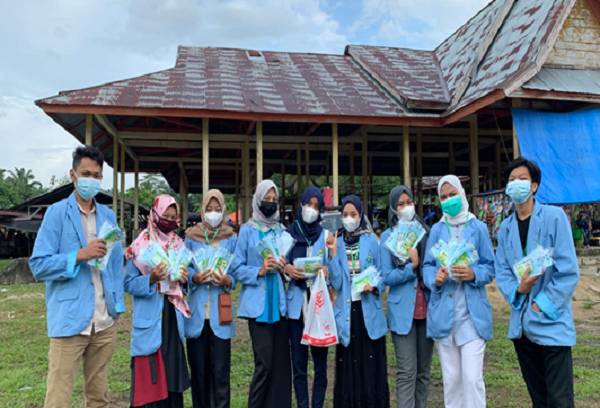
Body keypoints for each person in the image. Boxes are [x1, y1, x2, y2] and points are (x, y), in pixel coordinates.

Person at [29, 146, 126, 407]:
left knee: (98, 397)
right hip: (69, 320)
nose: (90, 180)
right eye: (85, 174)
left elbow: (116, 264)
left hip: (103, 322)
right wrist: (79, 255)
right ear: (73, 175)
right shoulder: (57, 213)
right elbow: (38, 265)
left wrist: (117, 305)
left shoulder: (108, 216)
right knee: (58, 398)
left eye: (96, 175)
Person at [495, 158, 579, 408]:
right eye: (511, 180)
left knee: (559, 400)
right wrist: (518, 290)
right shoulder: (505, 228)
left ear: (534, 186)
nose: (516, 184)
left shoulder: (554, 217)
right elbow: (502, 271)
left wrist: (540, 305)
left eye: (522, 179)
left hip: (551, 323)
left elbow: (568, 271)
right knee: (539, 399)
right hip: (522, 326)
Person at [422, 175, 495, 408]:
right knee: (452, 380)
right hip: (444, 315)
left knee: (472, 379)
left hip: (472, 316)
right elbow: (427, 266)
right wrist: (435, 278)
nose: (448, 200)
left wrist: (474, 274)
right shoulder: (436, 230)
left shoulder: (478, 227)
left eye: (452, 194)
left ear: (462, 194)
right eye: (443, 197)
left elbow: (490, 266)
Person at [125, 195, 191, 407]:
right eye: (165, 215)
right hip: (150, 320)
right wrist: (151, 279)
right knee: (150, 381)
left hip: (172, 318)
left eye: (173, 217)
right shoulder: (139, 246)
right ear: (155, 215)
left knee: (172, 380)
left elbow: (186, 281)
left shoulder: (178, 244)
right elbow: (128, 283)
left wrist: (184, 278)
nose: (169, 220)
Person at [326, 194, 389, 408]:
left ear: (361, 215)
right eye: (345, 214)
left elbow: (382, 275)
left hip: (368, 310)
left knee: (370, 366)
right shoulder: (336, 242)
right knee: (349, 367)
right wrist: (333, 255)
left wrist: (374, 286)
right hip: (346, 312)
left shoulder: (371, 241)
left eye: (353, 214)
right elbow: (336, 282)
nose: (349, 218)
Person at [232, 180, 291, 408]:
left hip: (279, 304)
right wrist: (259, 270)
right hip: (258, 307)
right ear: (258, 200)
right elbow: (236, 268)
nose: (271, 203)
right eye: (267, 199)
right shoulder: (247, 230)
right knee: (264, 363)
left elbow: (289, 267)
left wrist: (284, 266)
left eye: (274, 200)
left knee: (279, 365)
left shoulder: (281, 231)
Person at [380, 186, 433, 408]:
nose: (405, 207)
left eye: (408, 202)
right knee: (407, 371)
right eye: (400, 204)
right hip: (402, 312)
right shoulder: (388, 237)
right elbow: (387, 276)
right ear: (393, 208)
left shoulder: (426, 232)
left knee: (423, 372)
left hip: (427, 309)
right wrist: (412, 266)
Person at [184, 189, 237, 408]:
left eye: (217, 209)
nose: (213, 213)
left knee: (221, 372)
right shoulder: (190, 237)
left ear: (223, 210)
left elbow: (236, 271)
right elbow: (183, 267)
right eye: (209, 208)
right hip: (196, 314)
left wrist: (227, 280)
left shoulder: (231, 237)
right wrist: (193, 277)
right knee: (199, 372)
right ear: (202, 210)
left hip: (220, 314)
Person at [284, 186, 329, 408]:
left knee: (321, 366)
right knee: (299, 365)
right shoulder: (288, 235)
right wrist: (287, 270)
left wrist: (327, 271)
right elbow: (281, 263)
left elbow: (333, 268)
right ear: (301, 205)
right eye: (308, 204)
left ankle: (317, 404)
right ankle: (303, 404)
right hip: (296, 308)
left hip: (319, 307)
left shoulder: (325, 236)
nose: (311, 209)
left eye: (316, 206)